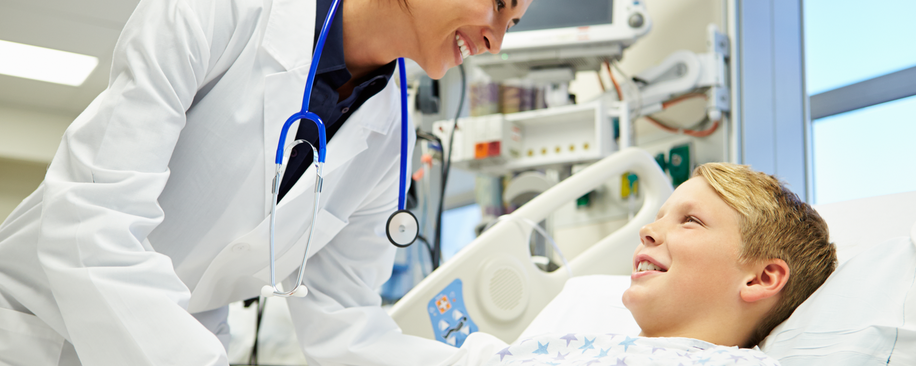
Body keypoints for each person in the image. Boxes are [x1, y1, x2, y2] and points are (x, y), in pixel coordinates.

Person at [0, 0, 532, 365]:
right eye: (498, 3)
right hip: (33, 328)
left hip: (186, 342)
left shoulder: (391, 136)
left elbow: (343, 323)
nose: (496, 39)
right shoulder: (221, 11)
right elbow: (90, 226)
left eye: (512, 23)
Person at [444, 162, 837, 365]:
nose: (647, 230)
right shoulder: (565, 346)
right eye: (658, 216)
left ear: (761, 278)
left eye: (690, 220)